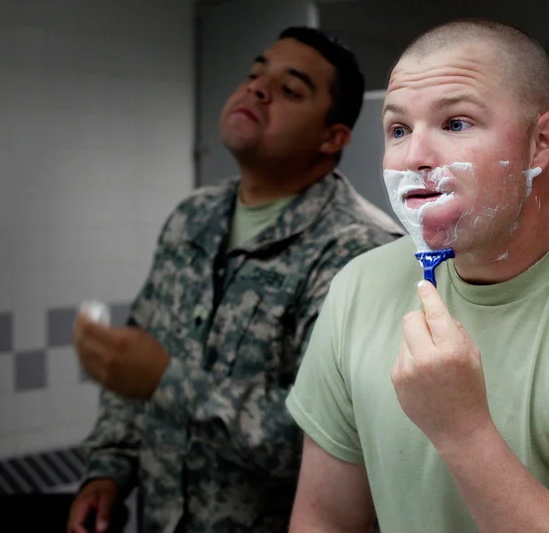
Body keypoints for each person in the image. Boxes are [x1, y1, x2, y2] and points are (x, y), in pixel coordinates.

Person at [285, 19, 549, 533]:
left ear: (541, 142)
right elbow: (325, 519)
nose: (415, 158)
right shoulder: (357, 288)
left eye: (455, 124)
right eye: (399, 130)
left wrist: (464, 431)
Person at [67, 26, 403, 533]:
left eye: (289, 89)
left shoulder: (362, 252)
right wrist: (109, 469)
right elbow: (138, 356)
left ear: (332, 137)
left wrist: (168, 382)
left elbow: (339, 443)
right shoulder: (193, 217)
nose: (257, 89)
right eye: (253, 75)